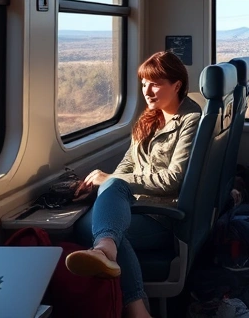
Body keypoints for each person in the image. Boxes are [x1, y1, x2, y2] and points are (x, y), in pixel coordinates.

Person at [65, 51, 202, 318]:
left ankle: (134, 304)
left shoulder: (191, 121)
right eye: (143, 84)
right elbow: (127, 165)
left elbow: (172, 181)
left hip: (161, 215)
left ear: (177, 85)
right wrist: (105, 188)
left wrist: (114, 181)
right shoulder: (150, 117)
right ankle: (107, 252)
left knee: (100, 229)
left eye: (155, 83)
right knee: (90, 221)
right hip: (135, 203)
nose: (147, 91)